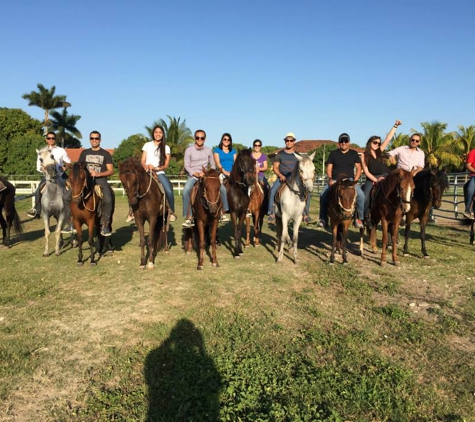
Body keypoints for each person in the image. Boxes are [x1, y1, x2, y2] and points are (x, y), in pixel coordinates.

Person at [26, 131, 74, 233]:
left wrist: (64, 167)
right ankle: (36, 209)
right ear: (46, 139)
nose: (51, 140)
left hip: (60, 176)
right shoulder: (42, 151)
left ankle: (72, 214)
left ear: (55, 139)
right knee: (38, 190)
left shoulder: (61, 151)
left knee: (71, 190)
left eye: (53, 138)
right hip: (48, 176)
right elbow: (39, 167)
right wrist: (44, 169)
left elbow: (69, 163)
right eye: (49, 138)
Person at [318, 133, 365, 229]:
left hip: (349, 180)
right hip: (336, 180)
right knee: (323, 194)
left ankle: (359, 218)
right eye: (341, 141)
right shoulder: (333, 153)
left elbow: (359, 168)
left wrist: (355, 181)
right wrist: (330, 179)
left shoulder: (354, 153)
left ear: (349, 142)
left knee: (361, 195)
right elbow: (329, 167)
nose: (344, 143)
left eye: (346, 141)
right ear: (339, 143)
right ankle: (323, 218)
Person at [361, 120, 402, 227]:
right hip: (372, 178)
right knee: (365, 196)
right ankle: (366, 217)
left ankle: (400, 215)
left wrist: (395, 126)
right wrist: (375, 180)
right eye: (375, 142)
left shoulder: (380, 151)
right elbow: (366, 171)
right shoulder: (364, 155)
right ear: (370, 143)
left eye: (378, 143)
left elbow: (388, 138)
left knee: (399, 191)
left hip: (386, 175)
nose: (377, 145)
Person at [267, 132, 311, 224]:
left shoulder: (298, 155)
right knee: (273, 190)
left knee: (307, 192)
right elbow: (275, 168)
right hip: (283, 178)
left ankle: (305, 214)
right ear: (285, 141)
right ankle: (271, 212)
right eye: (287, 140)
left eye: (291, 140)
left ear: (294, 141)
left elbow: (301, 168)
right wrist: (280, 175)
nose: (289, 142)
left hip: (295, 179)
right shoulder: (280, 154)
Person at [78, 131, 114, 236]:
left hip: (101, 180)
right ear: (89, 139)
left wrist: (98, 174)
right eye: (92, 138)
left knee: (108, 199)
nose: (94, 140)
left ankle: (105, 224)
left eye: (96, 138)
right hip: (86, 181)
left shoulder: (105, 154)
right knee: (68, 196)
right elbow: (79, 168)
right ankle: (71, 222)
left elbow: (111, 171)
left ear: (100, 140)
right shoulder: (84, 153)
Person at [141, 125, 177, 222]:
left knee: (169, 190)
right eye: (156, 132)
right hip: (146, 172)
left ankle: (171, 211)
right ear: (153, 133)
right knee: (133, 187)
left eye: (160, 132)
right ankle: (131, 211)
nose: (158, 134)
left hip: (159, 172)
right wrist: (146, 167)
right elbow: (142, 160)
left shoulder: (166, 147)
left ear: (163, 134)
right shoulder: (147, 145)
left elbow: (166, 165)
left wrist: (156, 168)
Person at [182, 129, 216, 228]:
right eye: (197, 137)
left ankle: (221, 213)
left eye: (202, 138)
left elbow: (213, 165)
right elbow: (187, 166)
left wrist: (208, 174)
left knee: (220, 188)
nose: (199, 139)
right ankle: (188, 217)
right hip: (193, 176)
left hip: (206, 175)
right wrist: (196, 174)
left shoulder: (209, 150)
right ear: (194, 138)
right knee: (186, 191)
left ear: (205, 139)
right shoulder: (189, 150)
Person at [213, 133, 235, 222]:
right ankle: (223, 211)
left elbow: (235, 162)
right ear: (222, 140)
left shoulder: (233, 151)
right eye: (225, 139)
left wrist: (232, 172)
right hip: (221, 172)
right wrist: (224, 171)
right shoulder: (217, 150)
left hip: (232, 173)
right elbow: (218, 163)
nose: (226, 141)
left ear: (230, 141)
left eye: (228, 140)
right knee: (221, 188)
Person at [463, 148, 475, 219]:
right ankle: (468, 210)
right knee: (470, 189)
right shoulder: (473, 152)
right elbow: (468, 165)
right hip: (474, 176)